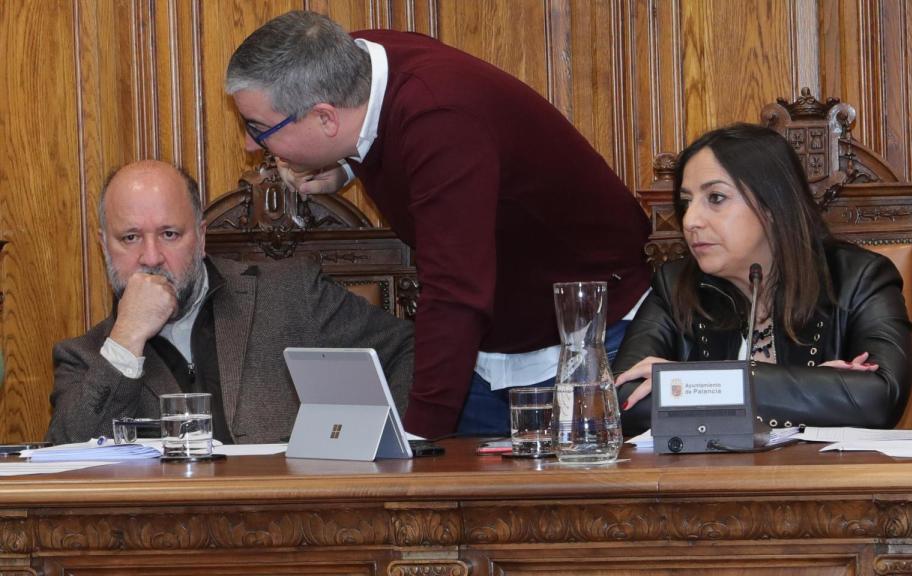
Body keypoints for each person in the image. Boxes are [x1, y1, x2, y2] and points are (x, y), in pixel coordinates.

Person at [225, 11, 652, 437]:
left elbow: (455, 290)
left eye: (258, 127)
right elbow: (382, 130)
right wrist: (346, 165)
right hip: (492, 343)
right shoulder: (354, 62)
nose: (249, 143)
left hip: (584, 339)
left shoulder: (441, 118)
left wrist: (418, 444)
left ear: (325, 118)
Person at [46, 160, 414, 445]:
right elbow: (69, 458)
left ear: (201, 237)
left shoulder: (292, 293)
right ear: (103, 245)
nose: (152, 257)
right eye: (129, 237)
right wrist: (126, 339)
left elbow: (407, 348)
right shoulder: (84, 358)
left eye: (169, 234)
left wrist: (381, 448)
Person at [612, 123, 912, 437]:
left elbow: (880, 398)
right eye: (687, 203)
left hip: (825, 481)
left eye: (715, 198)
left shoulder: (859, 278)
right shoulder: (675, 286)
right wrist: (811, 391)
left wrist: (690, 383)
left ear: (773, 204)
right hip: (703, 482)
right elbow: (622, 401)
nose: (690, 221)